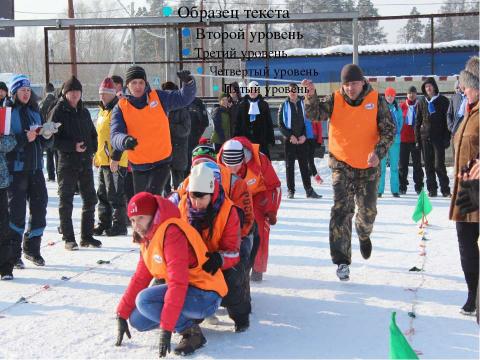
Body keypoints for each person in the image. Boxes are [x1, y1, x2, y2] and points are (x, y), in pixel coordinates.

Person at [302, 63, 395, 281]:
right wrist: (311, 95)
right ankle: (342, 260)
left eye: (354, 83)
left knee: (368, 211)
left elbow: (390, 130)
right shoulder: (335, 100)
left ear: (363, 82)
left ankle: (363, 233)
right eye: (346, 84)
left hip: (369, 166)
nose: (350, 88)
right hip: (341, 163)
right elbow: (315, 114)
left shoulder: (377, 101)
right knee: (341, 210)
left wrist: (378, 152)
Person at [116, 192, 227, 357]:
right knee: (137, 320)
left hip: (206, 295)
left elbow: (177, 282)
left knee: (144, 300)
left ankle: (191, 332)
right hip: (189, 293)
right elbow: (140, 278)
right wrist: (121, 314)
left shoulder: (171, 231)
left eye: (141, 218)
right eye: (132, 220)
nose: (136, 225)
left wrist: (168, 327)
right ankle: (186, 319)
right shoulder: (148, 237)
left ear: (153, 215)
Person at [176, 163, 250, 331]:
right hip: (192, 263)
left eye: (201, 198)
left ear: (212, 193)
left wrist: (220, 258)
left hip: (217, 261)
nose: (196, 203)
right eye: (193, 197)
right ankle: (188, 320)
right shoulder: (182, 206)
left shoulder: (228, 211)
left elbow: (233, 251)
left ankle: (241, 317)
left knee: (232, 280)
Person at [110, 66, 196, 195]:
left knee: (151, 199)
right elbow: (115, 134)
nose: (138, 86)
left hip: (161, 161)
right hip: (139, 164)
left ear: (146, 84)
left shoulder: (158, 97)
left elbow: (183, 98)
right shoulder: (121, 107)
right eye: (134, 83)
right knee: (142, 204)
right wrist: (124, 140)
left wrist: (188, 83)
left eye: (141, 82)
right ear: (127, 85)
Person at [7, 75, 56, 268]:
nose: (26, 93)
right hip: (16, 170)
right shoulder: (8, 112)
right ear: (14, 93)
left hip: (36, 169)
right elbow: (5, 142)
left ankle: (32, 249)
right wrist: (22, 138)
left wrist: (47, 135)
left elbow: (43, 143)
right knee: (16, 214)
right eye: (22, 90)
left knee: (39, 210)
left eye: (28, 90)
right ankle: (13, 254)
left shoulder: (36, 111)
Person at [218, 137, 281, 282]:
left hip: (257, 196)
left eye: (236, 165)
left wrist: (271, 209)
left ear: (243, 159)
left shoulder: (259, 160)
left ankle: (257, 267)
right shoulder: (218, 163)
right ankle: (230, 265)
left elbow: (274, 186)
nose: (233, 170)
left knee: (259, 228)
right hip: (232, 197)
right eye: (229, 166)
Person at [50, 76, 101, 251]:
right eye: (71, 92)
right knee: (66, 200)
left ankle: (87, 236)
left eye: (77, 91)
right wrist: (73, 147)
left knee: (90, 199)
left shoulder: (84, 111)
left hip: (85, 161)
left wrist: (91, 148)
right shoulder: (58, 111)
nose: (74, 95)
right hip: (67, 163)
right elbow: (51, 140)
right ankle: (68, 238)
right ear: (65, 93)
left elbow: (93, 134)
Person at [449, 56, 479, 316]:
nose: (462, 90)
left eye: (466, 86)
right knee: (466, 242)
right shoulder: (467, 111)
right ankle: (473, 293)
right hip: (467, 188)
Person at [93, 77, 128, 237]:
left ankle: (119, 224)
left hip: (115, 160)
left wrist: (115, 157)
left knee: (115, 194)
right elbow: (100, 136)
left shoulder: (118, 109)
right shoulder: (102, 110)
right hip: (103, 160)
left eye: (105, 93)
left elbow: (120, 135)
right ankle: (103, 222)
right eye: (101, 93)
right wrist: (97, 155)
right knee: (102, 194)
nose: (102, 96)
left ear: (112, 94)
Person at [278, 83, 321, 199]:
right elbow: (280, 125)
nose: (292, 92)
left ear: (297, 91)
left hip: (302, 140)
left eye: (294, 90)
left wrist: (304, 136)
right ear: (288, 92)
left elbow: (309, 121)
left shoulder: (303, 103)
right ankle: (291, 190)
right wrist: (290, 136)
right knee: (289, 166)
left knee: (304, 166)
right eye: (290, 90)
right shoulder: (283, 105)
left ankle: (309, 190)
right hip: (290, 141)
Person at [415, 77, 451, 197]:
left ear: (434, 87)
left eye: (430, 86)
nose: (428, 88)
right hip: (425, 138)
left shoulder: (443, 101)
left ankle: (445, 189)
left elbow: (447, 122)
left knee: (439, 165)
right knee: (428, 165)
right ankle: (432, 189)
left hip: (438, 138)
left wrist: (447, 138)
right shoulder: (421, 102)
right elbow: (417, 122)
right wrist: (417, 140)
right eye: (426, 87)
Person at [161, 81, 191, 195]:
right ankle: (165, 204)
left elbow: (185, 130)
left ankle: (180, 205)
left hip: (178, 150)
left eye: (170, 93)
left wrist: (168, 126)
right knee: (163, 183)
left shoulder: (182, 109)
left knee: (179, 184)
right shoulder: (159, 108)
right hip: (163, 150)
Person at [234, 81, 275, 158]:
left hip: (261, 140)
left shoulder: (264, 104)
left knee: (262, 161)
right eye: (251, 90)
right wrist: (236, 137)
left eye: (255, 90)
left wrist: (270, 138)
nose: (253, 92)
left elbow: (269, 122)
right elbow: (237, 123)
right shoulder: (242, 104)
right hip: (246, 139)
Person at [378, 87, 403, 198]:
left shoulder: (398, 109)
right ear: (385, 96)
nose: (390, 98)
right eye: (388, 95)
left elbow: (401, 122)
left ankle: (395, 190)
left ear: (394, 96)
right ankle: (379, 190)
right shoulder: (380, 108)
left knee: (394, 167)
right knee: (381, 167)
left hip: (395, 141)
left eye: (392, 96)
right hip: (382, 141)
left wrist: (395, 133)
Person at [399, 86, 424, 195]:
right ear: (407, 94)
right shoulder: (402, 106)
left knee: (417, 165)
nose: (411, 95)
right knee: (403, 165)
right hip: (403, 140)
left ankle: (419, 186)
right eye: (409, 93)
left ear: (416, 94)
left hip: (416, 139)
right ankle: (402, 186)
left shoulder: (420, 105)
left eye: (413, 93)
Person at [0, 131, 17, 279]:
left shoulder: (3, 117)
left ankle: (5, 267)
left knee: (3, 225)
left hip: (1, 182)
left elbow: (11, 143)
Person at [185, 97, 209, 176]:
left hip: (193, 140)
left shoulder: (198, 103)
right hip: (183, 141)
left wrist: (198, 133)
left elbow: (205, 122)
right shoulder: (181, 101)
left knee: (193, 163)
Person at [39, 82, 57, 182]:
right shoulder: (57, 101)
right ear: (53, 91)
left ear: (45, 91)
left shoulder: (42, 103)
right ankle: (59, 175)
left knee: (49, 156)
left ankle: (51, 176)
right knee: (58, 156)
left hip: (46, 132)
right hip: (56, 131)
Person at [447, 81, 467, 156]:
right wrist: (450, 126)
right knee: (456, 154)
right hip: (455, 131)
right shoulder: (454, 98)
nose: (458, 89)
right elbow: (449, 113)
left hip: (466, 131)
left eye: (460, 87)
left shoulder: (470, 97)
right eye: (457, 88)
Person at [305, 114, 324, 186]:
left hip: (313, 139)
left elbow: (319, 127)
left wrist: (319, 140)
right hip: (303, 139)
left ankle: (312, 176)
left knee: (310, 159)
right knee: (309, 159)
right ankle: (313, 176)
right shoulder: (301, 112)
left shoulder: (314, 113)